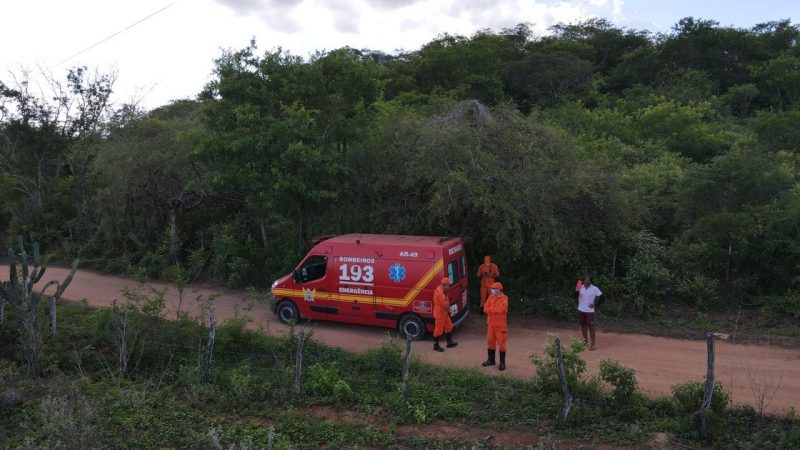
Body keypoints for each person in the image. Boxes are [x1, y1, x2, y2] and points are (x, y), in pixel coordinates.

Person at [482, 282, 508, 370]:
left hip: (500, 326)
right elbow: (485, 308)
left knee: (501, 344)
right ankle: (491, 360)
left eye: (494, 288)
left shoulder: (505, 298)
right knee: (490, 342)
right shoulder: (490, 297)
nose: (492, 290)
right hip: (491, 325)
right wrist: (493, 310)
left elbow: (502, 309)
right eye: (492, 288)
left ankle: (502, 363)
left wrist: (491, 310)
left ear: (499, 289)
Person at [576, 275, 603, 350]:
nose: (585, 281)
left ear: (590, 281)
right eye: (584, 280)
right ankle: (585, 341)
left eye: (587, 280)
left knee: (591, 327)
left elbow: (602, 297)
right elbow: (575, 294)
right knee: (583, 325)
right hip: (581, 309)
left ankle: (593, 344)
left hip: (589, 311)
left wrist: (596, 305)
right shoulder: (580, 286)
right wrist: (579, 283)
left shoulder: (594, 288)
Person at [432, 277, 458, 352]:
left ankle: (449, 342)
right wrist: (450, 309)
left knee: (449, 326)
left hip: (444, 313)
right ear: (444, 284)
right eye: (448, 285)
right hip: (440, 313)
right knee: (438, 330)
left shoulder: (443, 289)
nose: (449, 286)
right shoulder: (440, 292)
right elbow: (445, 305)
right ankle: (435, 345)